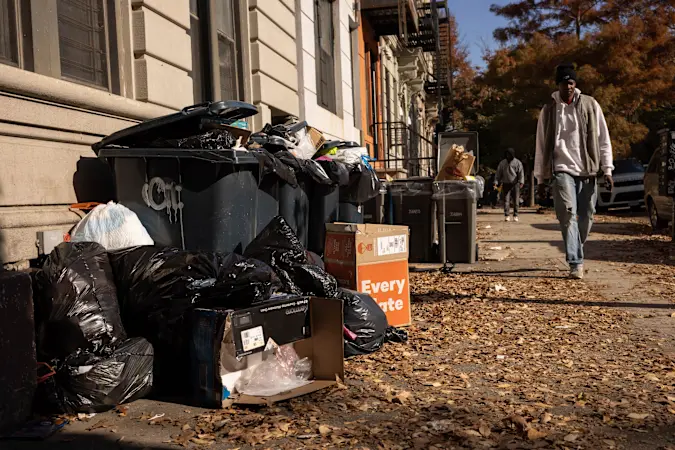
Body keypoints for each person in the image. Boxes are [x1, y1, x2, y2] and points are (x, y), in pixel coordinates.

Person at [534, 63, 614, 280]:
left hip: (587, 169)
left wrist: (607, 169)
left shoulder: (590, 104)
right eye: (563, 82)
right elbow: (541, 145)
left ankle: (575, 245)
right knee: (567, 214)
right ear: (558, 84)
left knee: (587, 214)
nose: (568, 86)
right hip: (561, 170)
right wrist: (540, 178)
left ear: (575, 84)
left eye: (571, 82)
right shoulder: (549, 109)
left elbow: (602, 138)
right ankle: (575, 262)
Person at [495, 148, 525, 221]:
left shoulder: (517, 162)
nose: (508, 156)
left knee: (516, 200)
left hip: (515, 184)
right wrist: (496, 182)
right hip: (506, 184)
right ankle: (507, 215)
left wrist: (521, 181)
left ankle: (515, 215)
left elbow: (521, 173)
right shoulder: (502, 163)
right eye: (507, 154)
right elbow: (498, 173)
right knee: (506, 200)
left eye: (510, 154)